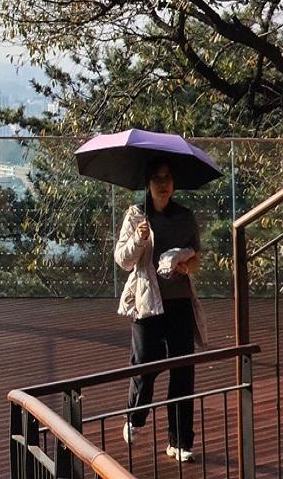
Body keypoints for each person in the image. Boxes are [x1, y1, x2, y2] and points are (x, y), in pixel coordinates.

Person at [114, 157, 207, 463]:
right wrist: (139, 240)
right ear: (148, 183)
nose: (163, 183)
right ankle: (135, 417)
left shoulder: (185, 216)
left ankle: (179, 441)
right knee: (145, 366)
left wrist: (185, 265)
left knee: (183, 371)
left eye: (168, 178)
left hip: (179, 301)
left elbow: (197, 257)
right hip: (146, 302)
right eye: (157, 178)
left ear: (174, 183)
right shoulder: (136, 215)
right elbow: (124, 261)